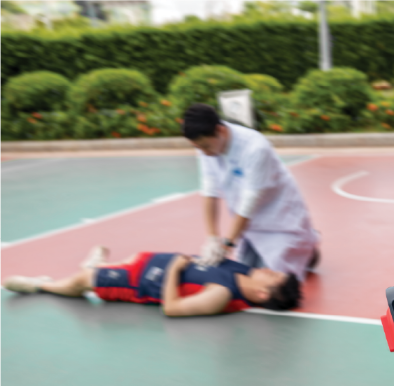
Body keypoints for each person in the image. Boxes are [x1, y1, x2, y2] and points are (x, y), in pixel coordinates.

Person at [182, 104, 320, 281]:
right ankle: (301, 248)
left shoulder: (255, 148)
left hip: (277, 213)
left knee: (274, 280)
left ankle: (307, 248)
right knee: (246, 272)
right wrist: (212, 238)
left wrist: (226, 245)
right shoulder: (205, 144)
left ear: (220, 130)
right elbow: (209, 189)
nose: (204, 153)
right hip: (249, 221)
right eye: (198, 148)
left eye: (206, 147)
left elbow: (249, 202)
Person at [2, 246, 301, 316]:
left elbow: (171, 308)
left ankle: (42, 285)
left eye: (273, 276)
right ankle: (95, 264)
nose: (268, 269)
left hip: (138, 285)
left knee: (81, 282)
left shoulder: (220, 295)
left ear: (262, 294)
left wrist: (173, 269)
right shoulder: (243, 270)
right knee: (106, 267)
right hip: (146, 261)